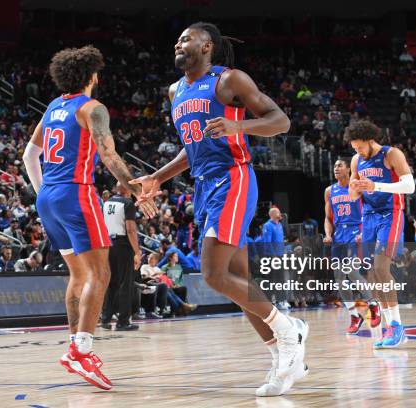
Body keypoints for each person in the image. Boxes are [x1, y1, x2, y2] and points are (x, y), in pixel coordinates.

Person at [130, 22, 307, 397]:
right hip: (204, 186)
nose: (179, 42)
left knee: (213, 274)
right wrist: (157, 178)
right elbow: (190, 147)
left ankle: (290, 331)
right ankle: (283, 359)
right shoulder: (175, 91)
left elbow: (280, 121)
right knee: (239, 282)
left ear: (207, 45)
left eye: (186, 38)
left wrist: (236, 127)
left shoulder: (230, 80)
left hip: (234, 178)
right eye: (177, 38)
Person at [22, 45, 157, 390]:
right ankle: (82, 350)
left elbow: (29, 155)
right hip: (75, 194)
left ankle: (73, 347)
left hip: (49, 198)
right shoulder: (92, 108)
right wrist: (135, 187)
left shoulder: (53, 107)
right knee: (101, 272)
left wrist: (42, 193)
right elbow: (109, 155)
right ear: (92, 76)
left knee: (79, 275)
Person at [348, 120, 416, 349]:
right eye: (354, 148)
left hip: (391, 214)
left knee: (381, 268)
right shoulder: (357, 160)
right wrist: (355, 188)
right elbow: (353, 195)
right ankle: (392, 327)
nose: (357, 152)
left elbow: (410, 187)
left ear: (370, 141)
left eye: (359, 147)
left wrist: (375, 186)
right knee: (371, 274)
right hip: (369, 217)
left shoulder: (391, 154)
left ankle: (397, 325)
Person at [323, 159, 374, 335]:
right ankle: (354, 315)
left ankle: (373, 304)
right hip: (339, 237)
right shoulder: (329, 191)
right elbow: (328, 218)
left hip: (356, 233)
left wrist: (364, 232)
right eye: (334, 166)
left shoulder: (358, 187)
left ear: (348, 169)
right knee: (339, 277)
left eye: (340, 165)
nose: (336, 168)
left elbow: (368, 211)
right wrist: (329, 235)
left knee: (351, 272)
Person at [101, 182, 142, 331]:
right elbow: (130, 229)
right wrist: (137, 251)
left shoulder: (106, 203)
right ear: (126, 189)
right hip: (123, 244)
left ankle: (105, 318)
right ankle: (123, 321)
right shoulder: (128, 203)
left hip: (108, 244)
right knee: (126, 283)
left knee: (111, 283)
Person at [261, 207, 290, 311]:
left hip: (280, 255)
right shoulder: (267, 225)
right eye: (278, 212)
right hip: (271, 257)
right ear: (273, 214)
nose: (280, 214)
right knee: (271, 279)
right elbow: (267, 242)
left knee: (280, 279)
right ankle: (270, 302)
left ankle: (281, 300)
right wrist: (273, 256)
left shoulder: (280, 225)